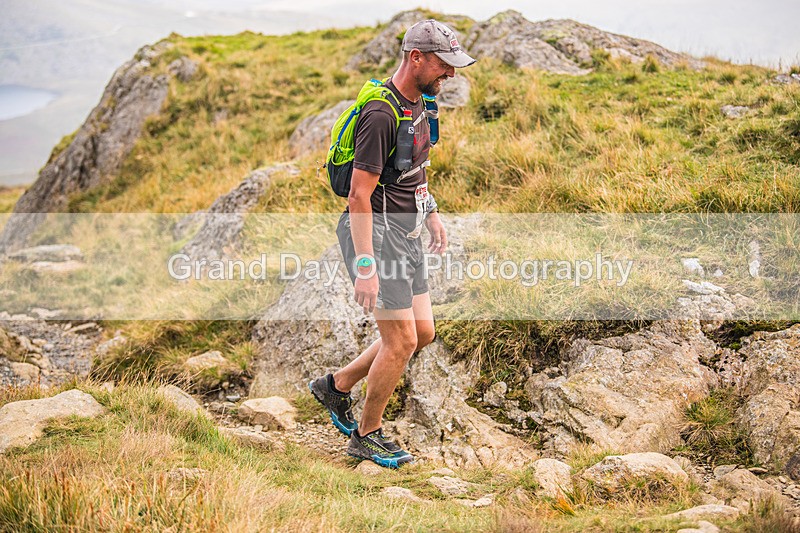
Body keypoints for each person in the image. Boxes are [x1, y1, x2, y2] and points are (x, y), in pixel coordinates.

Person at [309, 19, 476, 468]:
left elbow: (413, 167)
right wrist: (365, 265)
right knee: (400, 341)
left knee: (422, 333)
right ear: (416, 58)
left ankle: (336, 386)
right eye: (445, 65)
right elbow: (358, 194)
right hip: (376, 236)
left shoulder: (420, 102)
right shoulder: (381, 114)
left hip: (405, 232)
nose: (451, 75)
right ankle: (366, 434)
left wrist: (433, 212)